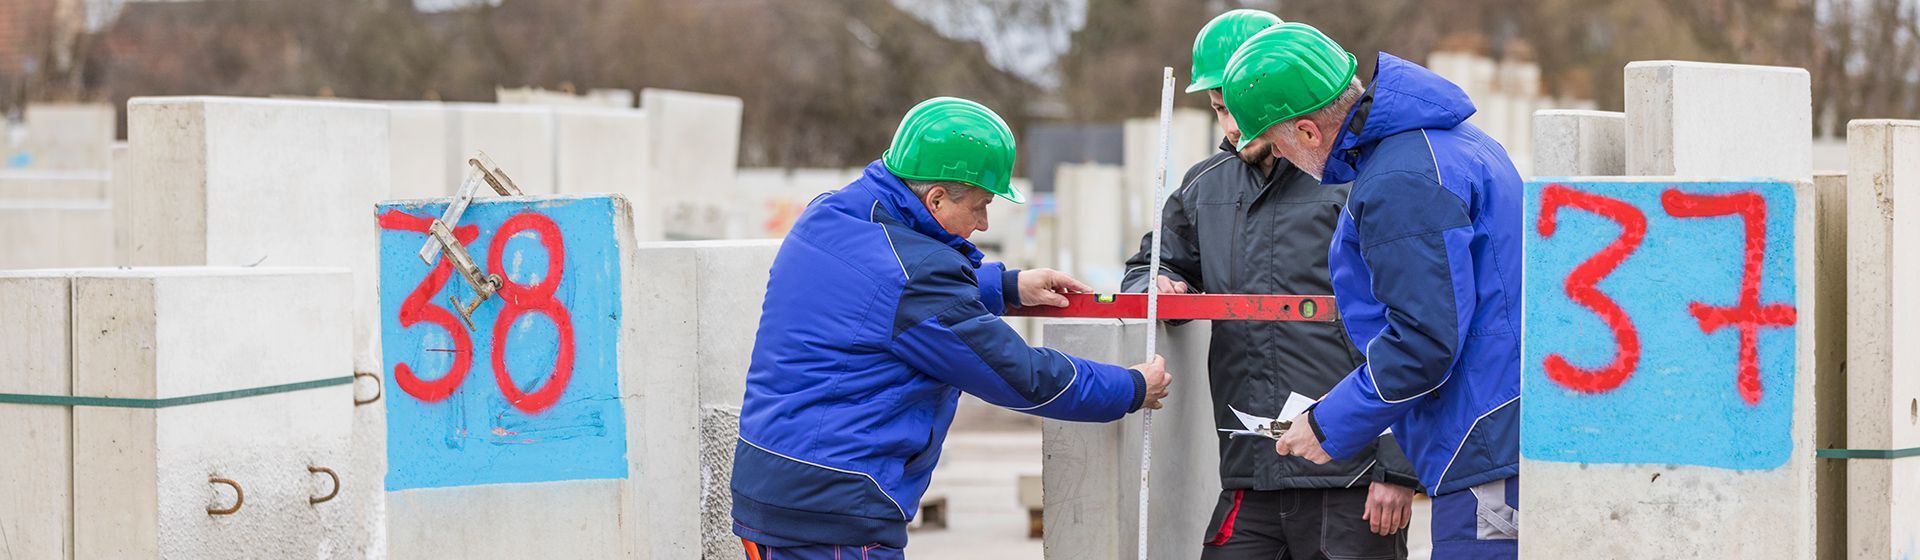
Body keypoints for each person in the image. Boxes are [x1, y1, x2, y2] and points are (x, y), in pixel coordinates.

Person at [731, 96, 1174, 559]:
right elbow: (1016, 374)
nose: (983, 224)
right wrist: (1128, 387)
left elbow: (878, 293)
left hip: (770, 490)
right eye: (981, 206)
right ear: (936, 198)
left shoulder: (832, 216)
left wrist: (1005, 286)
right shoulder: (916, 276)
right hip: (835, 513)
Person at [1121, 9, 1418, 559]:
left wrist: (1397, 467)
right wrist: (1158, 284)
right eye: (1217, 108)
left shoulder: (1355, 182)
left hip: (1349, 475)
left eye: (1236, 107)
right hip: (1250, 472)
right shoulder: (1203, 186)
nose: (1230, 126)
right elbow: (1150, 266)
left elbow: (1413, 325)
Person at [1222, 22, 1523, 559]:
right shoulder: (1440, 144)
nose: (1283, 161)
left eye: (1279, 146)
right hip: (1496, 427)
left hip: (1482, 442)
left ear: (1309, 132)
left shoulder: (1399, 180)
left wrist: (1327, 424)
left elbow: (1425, 341)